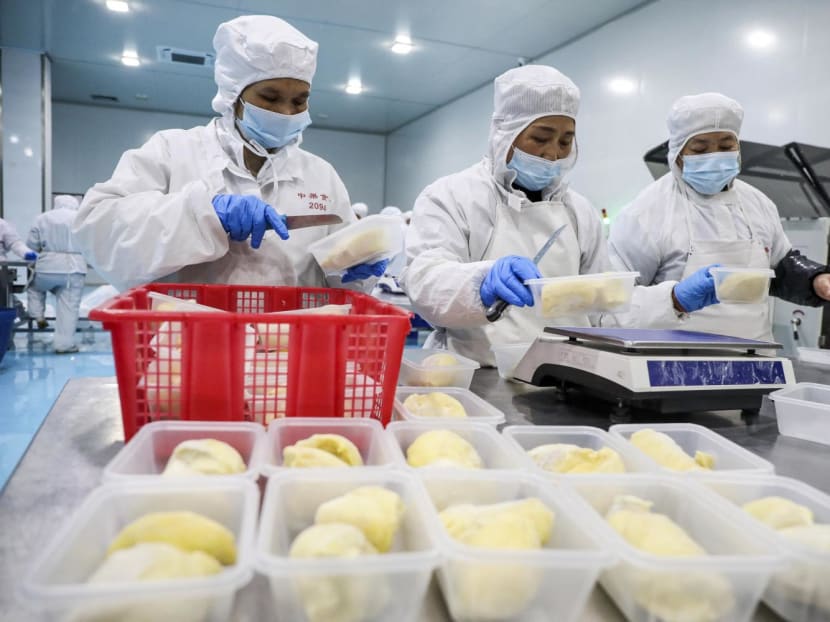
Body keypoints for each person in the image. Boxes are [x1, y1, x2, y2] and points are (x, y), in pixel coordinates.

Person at [401, 65, 718, 365]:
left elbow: (603, 312)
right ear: (504, 132)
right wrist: (481, 282)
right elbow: (424, 280)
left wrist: (673, 300)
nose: (552, 153)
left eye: (565, 141)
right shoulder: (452, 195)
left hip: (562, 377)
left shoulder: (579, 212)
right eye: (540, 138)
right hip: (476, 373)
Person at [73, 15, 386, 290]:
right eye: (270, 97)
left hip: (290, 335)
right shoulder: (172, 151)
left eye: (299, 100)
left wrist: (357, 271)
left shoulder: (321, 175)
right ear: (233, 96)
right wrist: (202, 215)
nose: (286, 112)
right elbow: (97, 229)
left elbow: (341, 277)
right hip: (187, 335)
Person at [609, 93, 830, 341]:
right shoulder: (645, 212)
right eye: (700, 149)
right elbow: (612, 305)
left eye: (726, 147)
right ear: (678, 153)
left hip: (754, 355)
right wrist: (673, 300)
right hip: (675, 358)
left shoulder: (758, 203)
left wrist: (816, 279)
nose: (714, 156)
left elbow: (780, 267)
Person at [27, 195, 88, 353]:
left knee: (34, 288)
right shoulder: (81, 218)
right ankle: (64, 345)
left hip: (47, 265)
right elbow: (90, 243)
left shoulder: (42, 218)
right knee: (69, 308)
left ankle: (38, 315)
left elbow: (32, 245)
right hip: (74, 269)